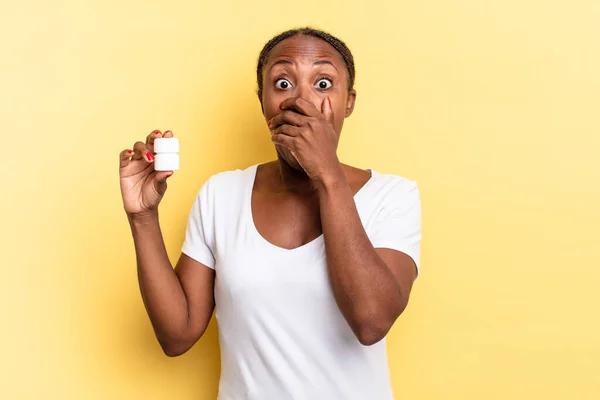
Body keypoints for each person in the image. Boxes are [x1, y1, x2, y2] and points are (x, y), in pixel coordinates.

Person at [119, 27, 421, 400]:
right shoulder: (221, 195)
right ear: (263, 101)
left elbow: (371, 321)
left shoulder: (392, 196)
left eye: (323, 83)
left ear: (349, 102)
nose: (301, 101)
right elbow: (176, 335)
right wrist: (143, 218)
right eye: (282, 83)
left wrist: (326, 173)